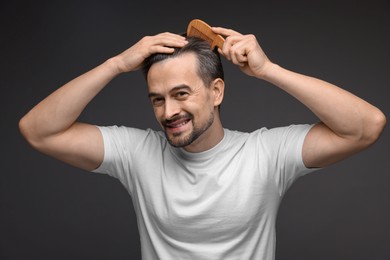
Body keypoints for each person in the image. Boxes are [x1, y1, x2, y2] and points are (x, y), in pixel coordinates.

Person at [19, 25, 386, 259]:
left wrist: (267, 70)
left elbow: (366, 126)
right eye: (157, 99)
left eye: (181, 94)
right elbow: (38, 130)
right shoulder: (136, 153)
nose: (168, 112)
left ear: (216, 91)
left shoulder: (264, 154)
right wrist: (116, 64)